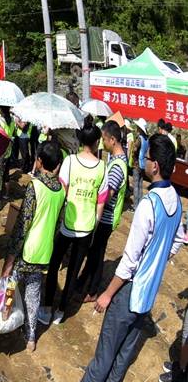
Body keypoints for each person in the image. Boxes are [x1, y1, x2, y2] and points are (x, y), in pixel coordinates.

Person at [71, 135, 184, 382]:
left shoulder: (149, 204)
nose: (142, 162)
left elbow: (129, 260)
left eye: (145, 158)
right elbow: (178, 241)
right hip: (148, 294)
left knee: (106, 350)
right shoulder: (175, 200)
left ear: (155, 165)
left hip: (130, 290)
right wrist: (159, 258)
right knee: (125, 350)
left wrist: (108, 293)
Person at [0, 142, 65, 359]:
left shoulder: (35, 187)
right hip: (44, 252)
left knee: (8, 293)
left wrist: (10, 258)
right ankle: (31, 337)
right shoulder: (60, 190)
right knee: (33, 295)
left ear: (39, 161)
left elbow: (23, 224)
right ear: (57, 164)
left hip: (26, 250)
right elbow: (58, 222)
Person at [39, 117, 108, 325]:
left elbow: (63, 189)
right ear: (96, 143)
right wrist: (94, 224)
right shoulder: (102, 167)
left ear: (79, 140)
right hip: (87, 227)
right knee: (73, 271)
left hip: (67, 223)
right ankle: (61, 311)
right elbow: (101, 200)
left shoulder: (70, 161)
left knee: (53, 266)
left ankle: (47, 306)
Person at [77, 121, 128, 302]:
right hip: (106, 217)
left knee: (97, 254)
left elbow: (107, 196)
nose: (102, 143)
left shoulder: (117, 166)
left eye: (104, 139)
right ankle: (83, 282)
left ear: (112, 140)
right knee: (94, 252)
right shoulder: (116, 159)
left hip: (106, 218)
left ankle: (92, 291)